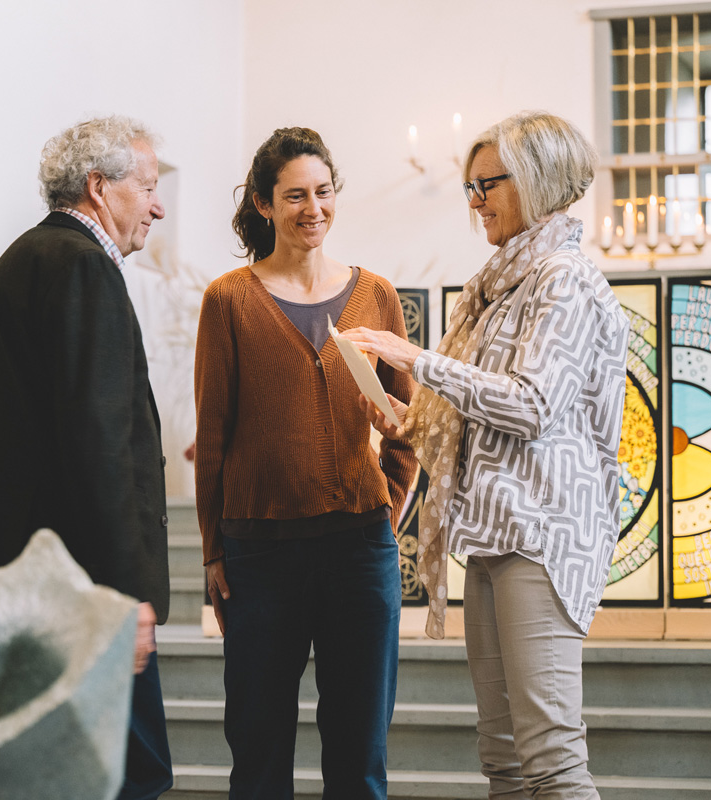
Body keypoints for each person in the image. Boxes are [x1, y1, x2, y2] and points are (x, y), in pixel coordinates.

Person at [342, 111, 629, 799]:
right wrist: (403, 418)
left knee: (553, 760)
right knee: (502, 759)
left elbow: (531, 406)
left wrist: (419, 360)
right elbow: (482, 412)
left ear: (536, 179)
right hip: (492, 533)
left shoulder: (563, 278)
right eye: (469, 187)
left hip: (543, 534)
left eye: (487, 185)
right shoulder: (499, 287)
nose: (474, 203)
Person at [194, 127, 419, 800]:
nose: (312, 208)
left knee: (359, 759)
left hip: (360, 551)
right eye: (294, 196)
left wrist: (392, 501)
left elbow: (412, 419)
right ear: (264, 204)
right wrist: (213, 553)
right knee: (259, 758)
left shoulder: (375, 293)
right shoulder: (229, 300)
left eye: (323, 192)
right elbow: (213, 437)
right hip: (260, 556)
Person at [0, 115, 173, 800]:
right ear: (99, 187)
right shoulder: (83, 268)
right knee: (129, 775)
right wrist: (126, 593)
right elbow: (99, 444)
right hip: (82, 591)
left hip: (24, 580)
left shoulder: (16, 264)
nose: (158, 205)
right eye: (146, 186)